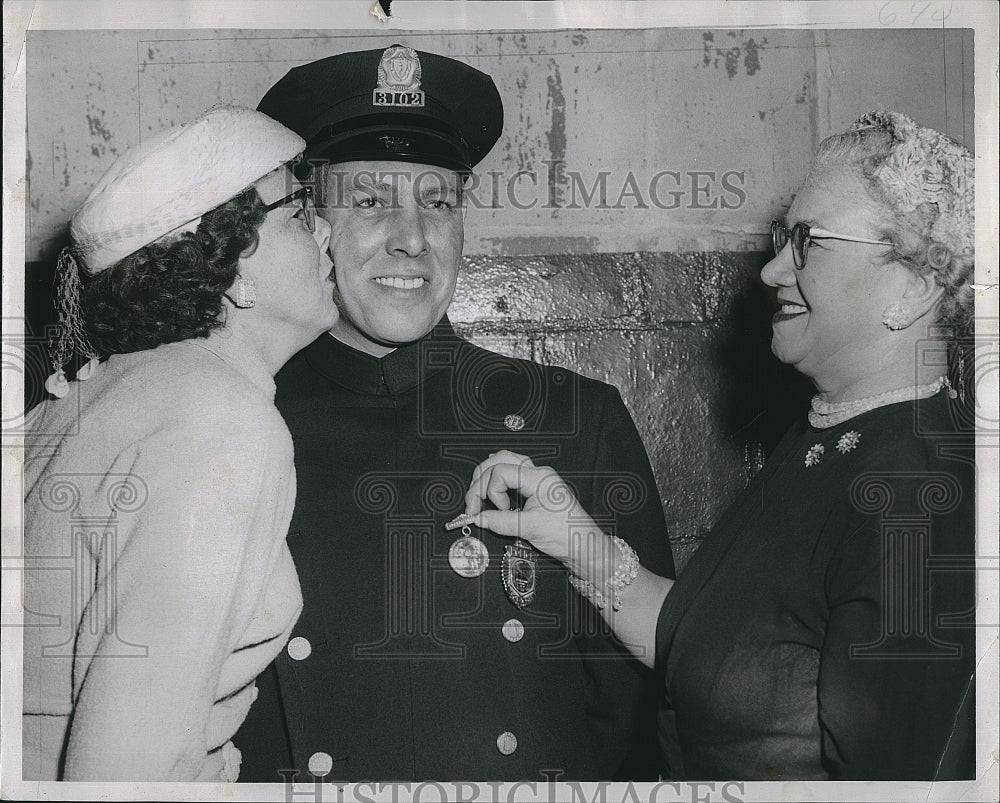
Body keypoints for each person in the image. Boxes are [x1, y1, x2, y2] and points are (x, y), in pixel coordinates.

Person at [454, 110, 976, 780]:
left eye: (808, 243)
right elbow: (723, 655)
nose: (771, 273)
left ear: (914, 285)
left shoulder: (923, 501)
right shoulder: (828, 439)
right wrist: (575, 536)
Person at [235, 45, 675, 781]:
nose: (412, 237)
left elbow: (633, 706)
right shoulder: (237, 418)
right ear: (310, 224)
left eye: (438, 201)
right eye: (371, 201)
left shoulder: (573, 416)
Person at [21, 106, 339, 781]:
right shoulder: (219, 423)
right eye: (298, 214)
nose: (327, 229)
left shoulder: (112, 390)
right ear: (233, 273)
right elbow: (125, 767)